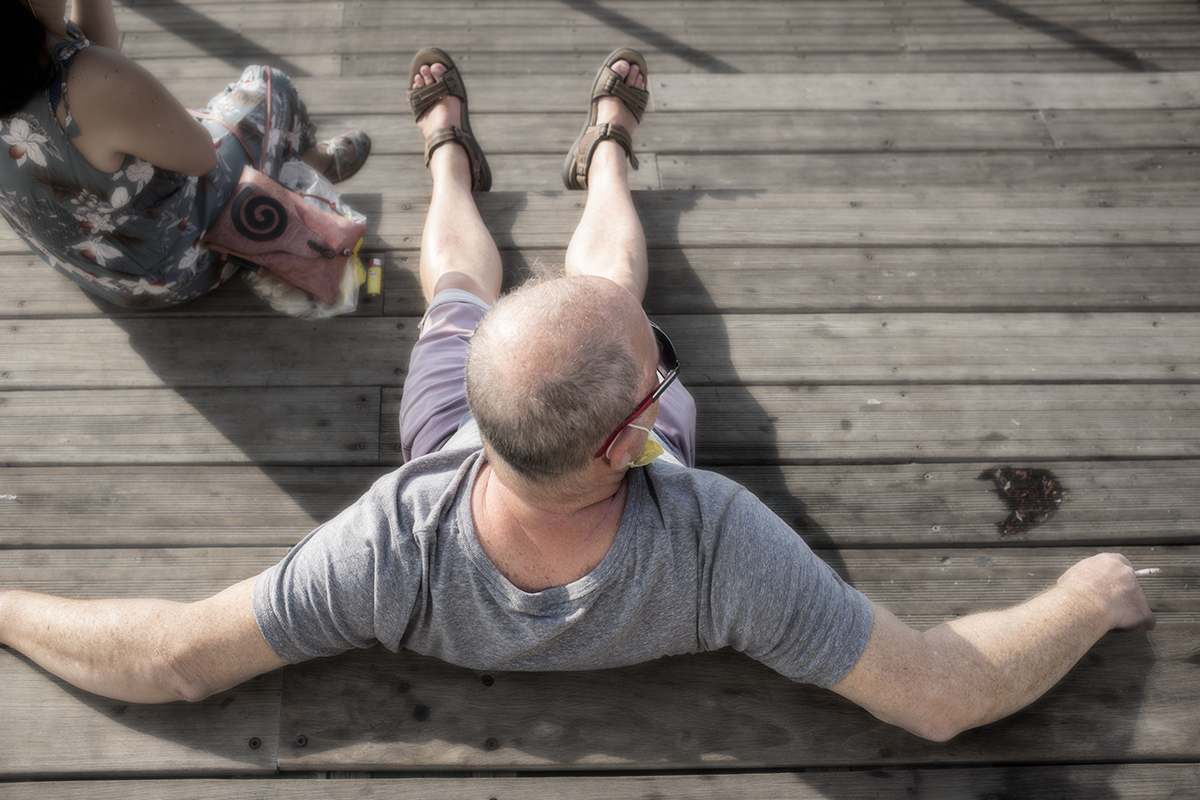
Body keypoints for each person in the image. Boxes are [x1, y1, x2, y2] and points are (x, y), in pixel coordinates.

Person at [0, 47, 1155, 743]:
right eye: (655, 371)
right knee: (607, 277)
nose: (660, 371)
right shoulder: (715, 541)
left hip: (505, 439)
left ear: (465, 412)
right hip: (612, 477)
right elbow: (944, 691)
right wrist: (1087, 596)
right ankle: (609, 149)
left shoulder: (395, 534)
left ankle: (447, 149)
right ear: (636, 435)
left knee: (457, 279)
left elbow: (174, 658)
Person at [0, 0, 371, 308]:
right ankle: (313, 164)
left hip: (93, 267)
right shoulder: (90, 79)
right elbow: (202, 159)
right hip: (171, 270)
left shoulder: (22, 49)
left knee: (148, 124)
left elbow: (96, 70)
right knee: (268, 86)